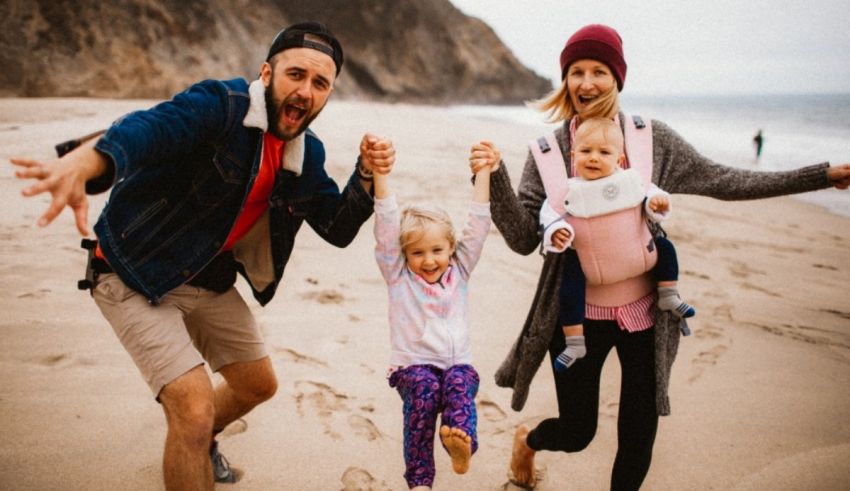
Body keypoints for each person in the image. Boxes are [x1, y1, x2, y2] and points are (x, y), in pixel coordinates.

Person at [11, 22, 395, 490]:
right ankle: (194, 436)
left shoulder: (303, 153)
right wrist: (88, 162)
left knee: (258, 385)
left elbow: (336, 228)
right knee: (192, 410)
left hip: (204, 277)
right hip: (134, 273)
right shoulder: (221, 106)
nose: (305, 91)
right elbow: (150, 129)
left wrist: (366, 176)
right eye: (296, 74)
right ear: (267, 73)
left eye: (320, 84)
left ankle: (201, 441)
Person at [467, 23, 850, 490]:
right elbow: (525, 238)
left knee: (638, 436)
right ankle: (529, 441)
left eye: (600, 71)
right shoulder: (548, 152)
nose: (587, 83)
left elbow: (724, 180)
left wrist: (820, 176)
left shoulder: (651, 140)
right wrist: (495, 179)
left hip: (646, 316)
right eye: (577, 72)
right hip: (574, 317)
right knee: (577, 432)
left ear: (618, 78)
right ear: (565, 79)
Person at [372, 140, 497, 490]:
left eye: (437, 250)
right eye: (418, 252)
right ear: (404, 254)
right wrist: (381, 174)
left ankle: (461, 443)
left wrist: (483, 172)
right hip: (414, 367)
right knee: (424, 397)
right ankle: (421, 482)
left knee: (460, 385)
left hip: (457, 363)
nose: (429, 260)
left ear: (452, 249)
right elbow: (385, 226)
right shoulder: (397, 275)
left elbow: (478, 225)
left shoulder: (460, 270)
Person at [539, 117, 694, 372]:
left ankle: (668, 294)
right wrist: (556, 231)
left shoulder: (630, 180)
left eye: (604, 152)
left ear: (620, 159)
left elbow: (651, 195)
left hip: (640, 259)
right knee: (569, 278)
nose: (593, 158)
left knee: (665, 248)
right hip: (592, 269)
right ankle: (575, 339)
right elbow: (549, 216)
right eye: (586, 151)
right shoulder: (567, 191)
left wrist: (657, 203)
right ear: (573, 155)